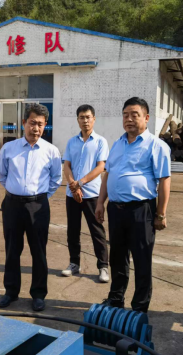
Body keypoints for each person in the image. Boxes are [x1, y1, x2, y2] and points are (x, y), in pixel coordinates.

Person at [95, 97, 171, 313]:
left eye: (134, 115)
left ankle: (139, 307)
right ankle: (116, 299)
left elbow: (164, 180)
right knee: (118, 257)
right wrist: (100, 202)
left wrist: (161, 214)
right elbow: (108, 174)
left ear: (146, 118)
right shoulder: (117, 144)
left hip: (141, 210)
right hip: (116, 210)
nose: (129, 119)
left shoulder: (156, 145)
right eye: (125, 115)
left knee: (141, 259)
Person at [0, 103, 62, 312]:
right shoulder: (9, 148)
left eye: (41, 124)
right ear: (24, 122)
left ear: (45, 126)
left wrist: (39, 197)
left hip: (38, 206)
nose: (36, 128)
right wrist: (16, 192)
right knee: (12, 250)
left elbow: (56, 179)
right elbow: (2, 174)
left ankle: (39, 294)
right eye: (32, 123)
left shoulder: (51, 151)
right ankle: (11, 291)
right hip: (12, 205)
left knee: (38, 251)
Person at [61, 105, 110, 282]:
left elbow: (101, 167)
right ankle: (74, 263)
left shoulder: (100, 142)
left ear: (94, 119)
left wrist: (80, 183)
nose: (85, 121)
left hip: (92, 195)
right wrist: (73, 186)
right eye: (81, 117)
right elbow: (66, 165)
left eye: (88, 117)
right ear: (78, 120)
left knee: (97, 231)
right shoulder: (71, 142)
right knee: (72, 231)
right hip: (72, 195)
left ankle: (103, 267)